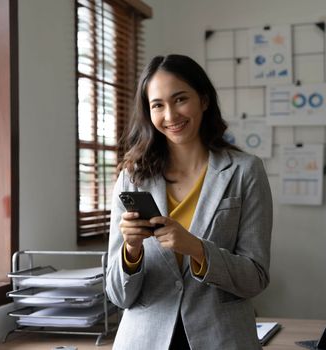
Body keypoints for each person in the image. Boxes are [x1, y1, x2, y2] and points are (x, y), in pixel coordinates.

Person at [106, 54, 273, 349]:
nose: (170, 115)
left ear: (204, 100)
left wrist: (196, 249)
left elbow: (255, 279)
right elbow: (119, 296)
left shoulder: (246, 171)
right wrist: (131, 250)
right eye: (157, 105)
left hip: (222, 339)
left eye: (180, 99)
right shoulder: (131, 177)